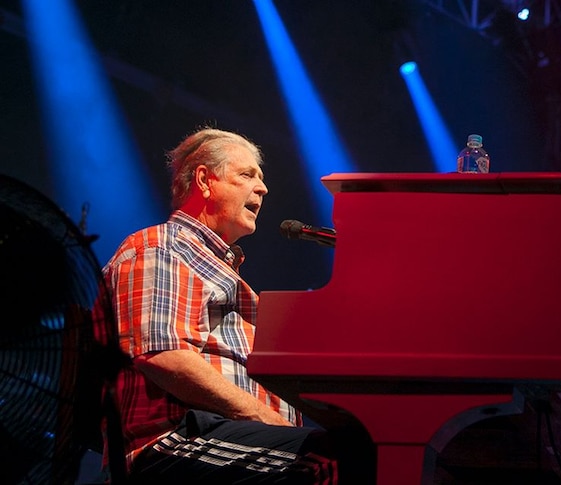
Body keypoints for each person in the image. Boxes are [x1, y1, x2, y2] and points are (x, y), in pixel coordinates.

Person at [93, 127, 371, 484]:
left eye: (262, 178)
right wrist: (265, 418)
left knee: (367, 453)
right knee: (340, 461)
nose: (263, 188)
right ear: (205, 181)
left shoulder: (223, 272)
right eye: (247, 175)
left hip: (229, 438)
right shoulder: (161, 247)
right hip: (174, 441)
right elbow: (163, 355)